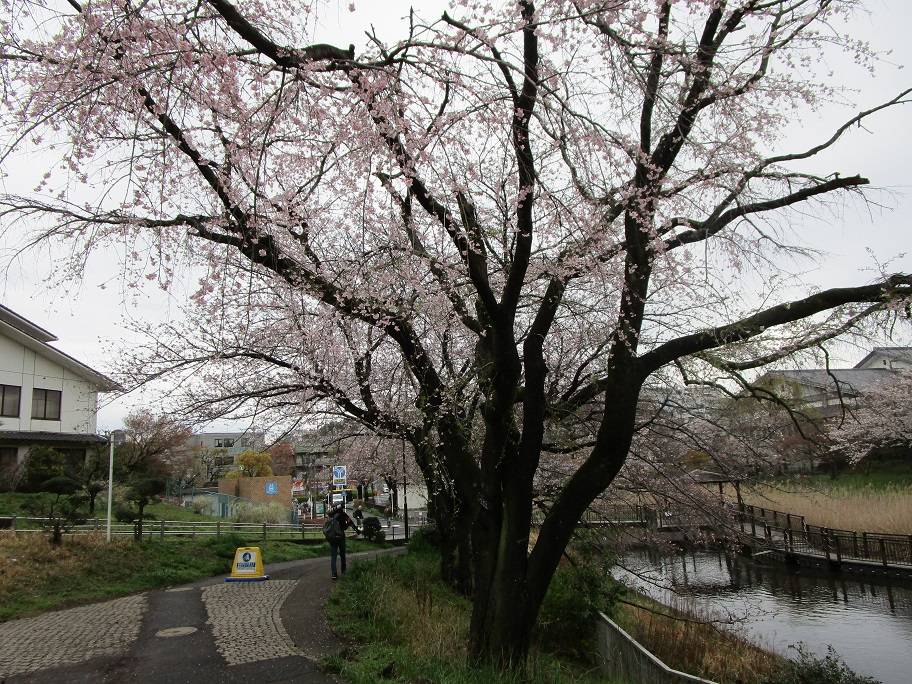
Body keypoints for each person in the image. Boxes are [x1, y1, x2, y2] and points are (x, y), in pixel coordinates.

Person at [325, 504, 360, 580]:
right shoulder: (343, 515)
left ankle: (334, 574)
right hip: (341, 537)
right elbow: (347, 525)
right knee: (342, 555)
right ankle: (343, 571)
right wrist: (355, 529)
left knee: (333, 557)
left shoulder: (331, 515)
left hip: (332, 538)